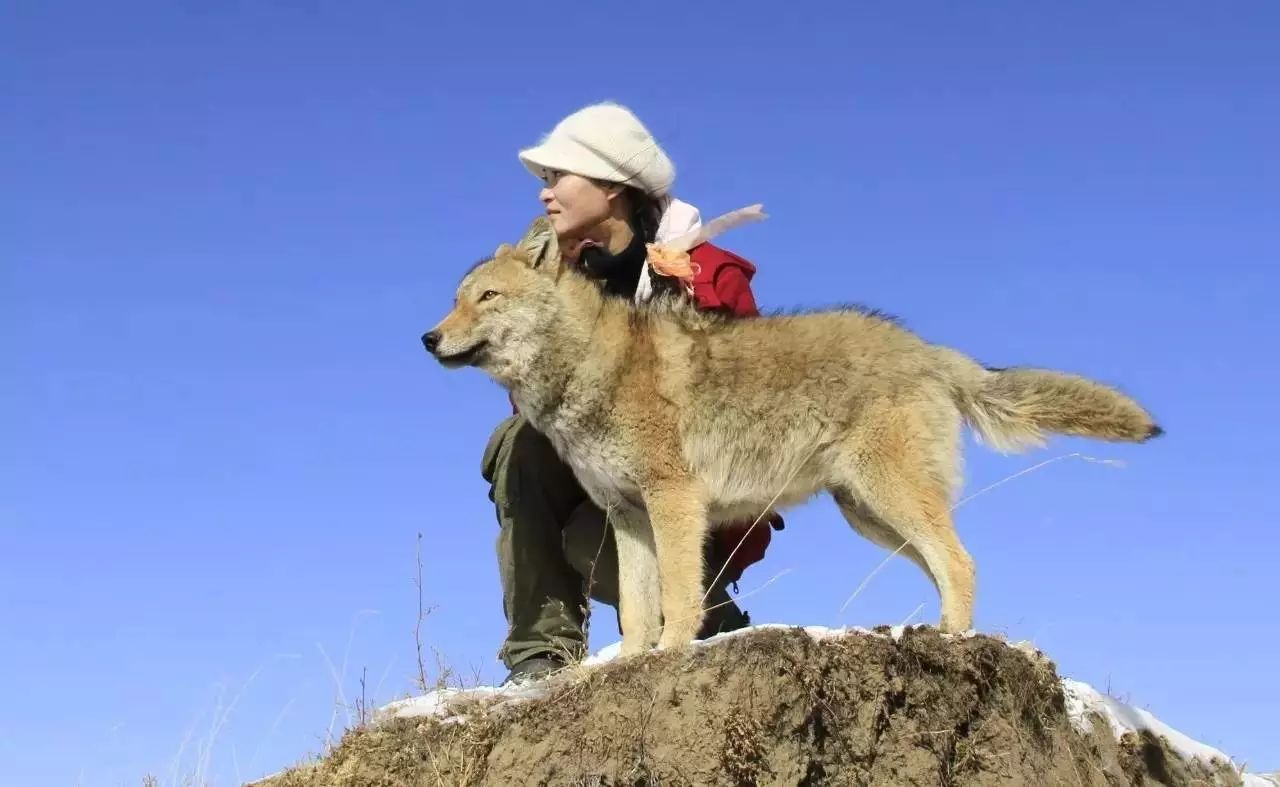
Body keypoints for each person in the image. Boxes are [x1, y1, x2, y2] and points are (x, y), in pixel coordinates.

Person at [480, 102, 783, 684]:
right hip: (606, 484)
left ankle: (705, 614)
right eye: (543, 182)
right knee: (520, 443)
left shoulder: (707, 271)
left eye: (558, 178)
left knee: (596, 536)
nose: (545, 195)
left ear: (613, 187)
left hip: (699, 499)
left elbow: (747, 396)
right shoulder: (551, 283)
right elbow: (544, 410)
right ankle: (540, 655)